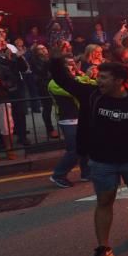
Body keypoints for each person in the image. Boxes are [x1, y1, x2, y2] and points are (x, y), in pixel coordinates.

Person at [48, 46, 128, 256]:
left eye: (105, 78)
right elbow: (63, 80)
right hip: (102, 160)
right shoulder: (90, 95)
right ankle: (103, 247)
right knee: (104, 200)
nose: (99, 81)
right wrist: (55, 59)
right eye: (99, 77)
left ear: (119, 81)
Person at [48, 57, 93, 188]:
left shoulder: (76, 78)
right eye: (69, 65)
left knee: (86, 146)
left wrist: (85, 77)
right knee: (74, 150)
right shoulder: (54, 82)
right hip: (68, 119)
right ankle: (58, 175)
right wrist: (85, 77)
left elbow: (89, 84)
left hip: (79, 116)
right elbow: (73, 90)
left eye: (74, 64)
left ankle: (87, 173)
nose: (72, 67)